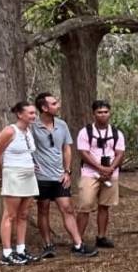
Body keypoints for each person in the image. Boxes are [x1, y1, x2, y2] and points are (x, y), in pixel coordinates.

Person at [31, 92, 96, 258]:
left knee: (67, 208)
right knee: (43, 209)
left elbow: (67, 148)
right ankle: (47, 244)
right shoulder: (33, 126)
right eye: (53, 103)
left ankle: (78, 244)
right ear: (44, 108)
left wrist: (67, 171)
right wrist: (32, 165)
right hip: (41, 178)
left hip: (59, 176)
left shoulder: (62, 125)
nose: (57, 105)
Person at [0, 101, 40, 265]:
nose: (34, 116)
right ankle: (6, 253)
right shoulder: (10, 131)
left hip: (29, 174)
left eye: (34, 113)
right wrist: (2, 174)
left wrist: (32, 165)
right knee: (10, 215)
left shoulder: (28, 131)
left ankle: (20, 249)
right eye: (30, 113)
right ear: (20, 114)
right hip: (13, 174)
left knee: (24, 214)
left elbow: (27, 152)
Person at [76, 100, 125, 249]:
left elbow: (120, 153)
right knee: (85, 205)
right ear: (93, 114)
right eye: (99, 112)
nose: (103, 115)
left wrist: (110, 169)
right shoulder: (85, 132)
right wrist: (99, 168)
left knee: (104, 206)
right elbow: (83, 152)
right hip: (90, 173)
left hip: (111, 174)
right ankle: (78, 240)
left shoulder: (116, 133)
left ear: (110, 113)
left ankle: (101, 236)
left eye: (105, 112)